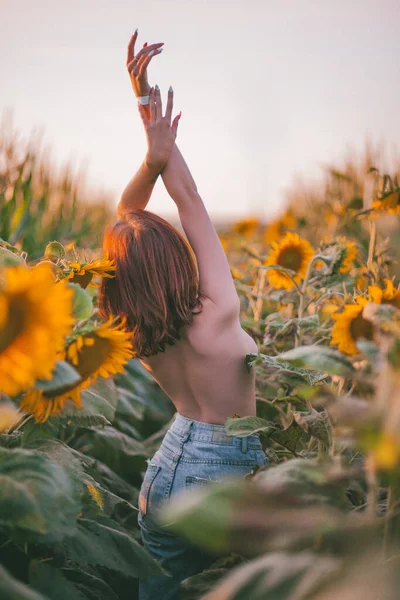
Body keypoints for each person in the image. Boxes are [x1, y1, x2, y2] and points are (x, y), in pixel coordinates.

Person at [99, 30, 267, 600]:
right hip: (222, 472)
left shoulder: (137, 329)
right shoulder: (217, 312)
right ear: (175, 255)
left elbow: (126, 216)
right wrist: (158, 137)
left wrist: (146, 131)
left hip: (166, 472)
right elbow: (188, 198)